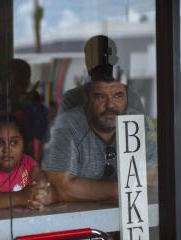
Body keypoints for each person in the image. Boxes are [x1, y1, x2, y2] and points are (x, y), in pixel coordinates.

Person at [42, 35, 157, 202]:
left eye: (118, 96)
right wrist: (125, 187)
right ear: (87, 99)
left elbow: (149, 176)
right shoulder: (71, 112)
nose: (111, 104)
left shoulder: (135, 114)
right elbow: (63, 186)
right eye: (101, 97)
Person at [0, 113, 57, 209]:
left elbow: (45, 189)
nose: (7, 149)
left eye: (14, 142)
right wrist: (19, 197)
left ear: (24, 144)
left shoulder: (28, 165)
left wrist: (39, 196)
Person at [0, 58, 49, 162]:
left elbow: (42, 134)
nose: (19, 84)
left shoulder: (34, 106)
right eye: (13, 78)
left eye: (24, 79)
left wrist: (31, 106)